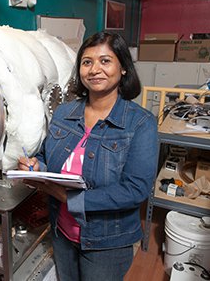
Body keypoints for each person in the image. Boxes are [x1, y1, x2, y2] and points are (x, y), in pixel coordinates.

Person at [18, 32, 158, 280]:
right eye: (87, 62)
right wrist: (35, 164)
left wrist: (70, 198)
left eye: (105, 61)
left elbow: (136, 189)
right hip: (62, 230)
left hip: (107, 242)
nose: (95, 69)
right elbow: (47, 155)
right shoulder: (64, 113)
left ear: (123, 68)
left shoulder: (140, 123)